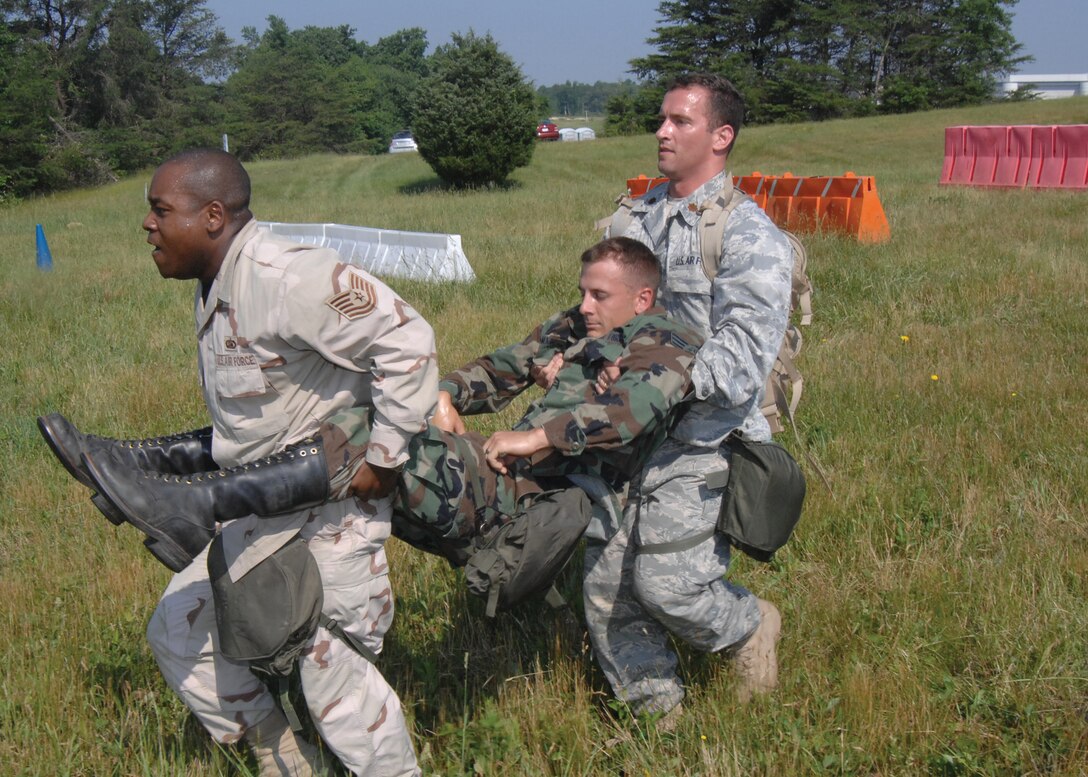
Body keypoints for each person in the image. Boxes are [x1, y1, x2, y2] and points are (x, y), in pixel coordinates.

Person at [76, 148, 435, 776]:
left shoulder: (284, 276)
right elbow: (252, 422)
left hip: (329, 515)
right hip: (261, 505)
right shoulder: (218, 280)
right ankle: (288, 760)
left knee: (334, 680)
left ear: (213, 215)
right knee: (180, 630)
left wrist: (385, 454)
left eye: (160, 211)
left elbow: (408, 340)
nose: (147, 225)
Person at [589, 73, 795, 719]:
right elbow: (597, 309)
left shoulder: (747, 234)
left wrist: (655, 378)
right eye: (661, 119)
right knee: (604, 584)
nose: (662, 131)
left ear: (721, 136)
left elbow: (740, 361)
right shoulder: (633, 218)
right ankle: (659, 717)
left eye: (680, 120)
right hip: (628, 429)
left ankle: (749, 624)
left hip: (709, 433)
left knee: (668, 585)